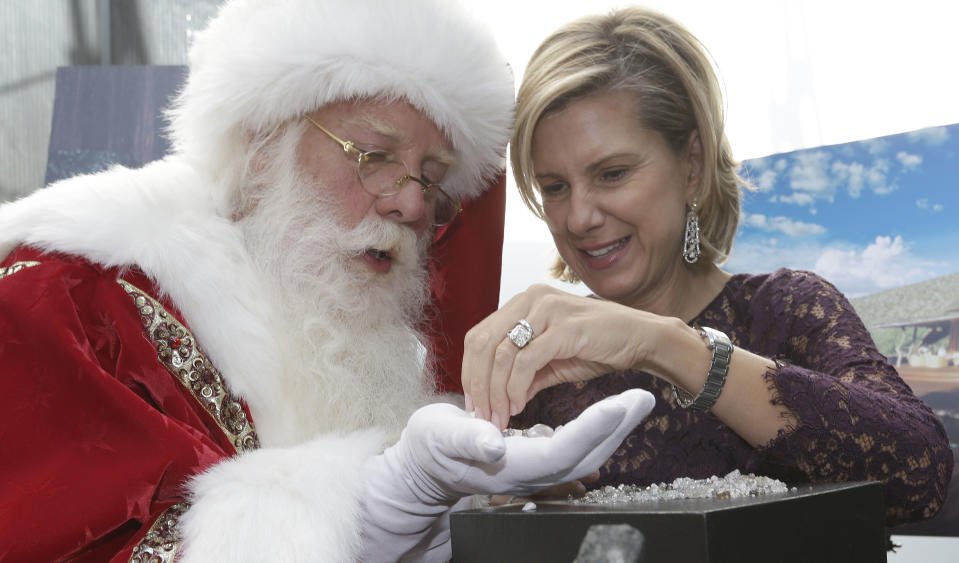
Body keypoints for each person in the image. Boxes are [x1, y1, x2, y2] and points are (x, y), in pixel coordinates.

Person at [0, 0, 658, 561]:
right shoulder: (65, 299)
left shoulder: (358, 327)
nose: (410, 206)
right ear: (261, 147)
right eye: (373, 156)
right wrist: (367, 506)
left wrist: (465, 504)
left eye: (430, 178)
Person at [462, 5, 952, 526]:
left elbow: (919, 475)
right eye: (555, 187)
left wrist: (664, 344)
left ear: (692, 165)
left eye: (612, 173)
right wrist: (510, 505)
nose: (579, 217)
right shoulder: (545, 369)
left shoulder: (786, 311)